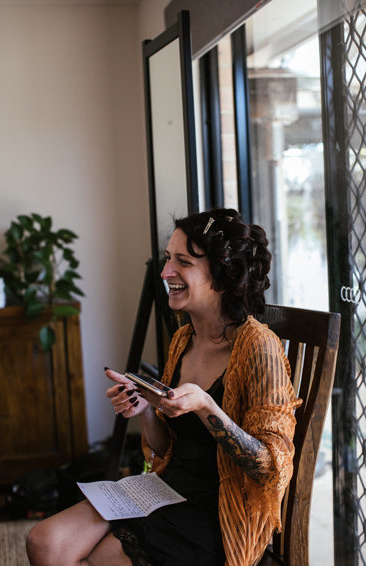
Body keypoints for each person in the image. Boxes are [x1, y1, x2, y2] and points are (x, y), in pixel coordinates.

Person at [26, 208, 301, 566]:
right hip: (164, 488)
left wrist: (207, 407)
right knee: (44, 542)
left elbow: (271, 467)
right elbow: (167, 447)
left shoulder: (258, 346)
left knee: (100, 559)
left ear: (221, 276)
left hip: (220, 511)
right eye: (169, 258)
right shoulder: (183, 339)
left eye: (183, 262)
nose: (166, 272)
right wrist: (144, 411)